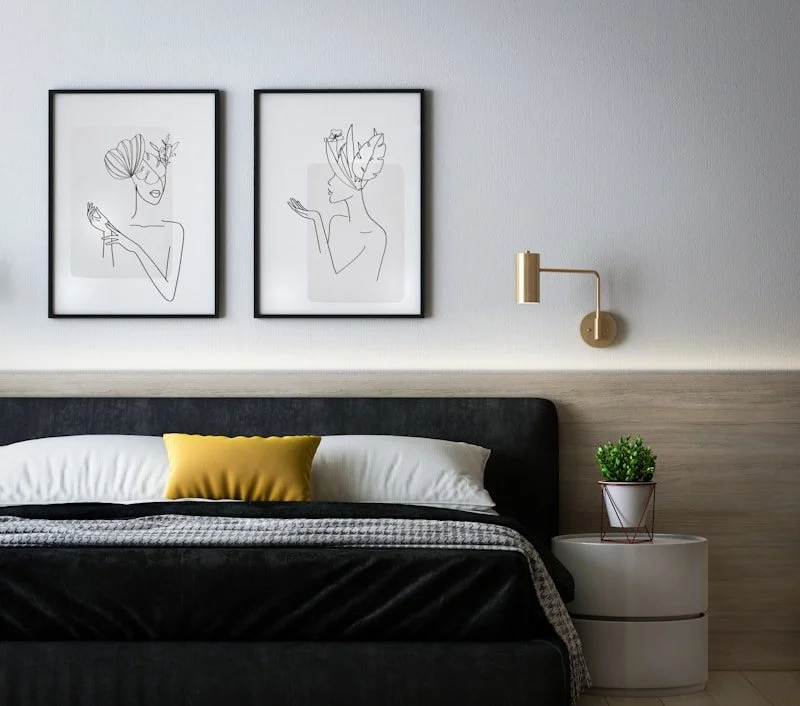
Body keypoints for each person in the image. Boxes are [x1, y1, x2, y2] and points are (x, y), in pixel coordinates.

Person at [86, 133, 184, 302]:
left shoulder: (174, 230)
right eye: (144, 173)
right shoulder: (116, 232)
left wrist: (135, 248)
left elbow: (169, 294)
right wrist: (105, 229)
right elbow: (104, 290)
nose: (156, 181)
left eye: (158, 168)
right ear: (132, 181)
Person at [288, 125, 387, 283]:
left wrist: (317, 221)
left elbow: (330, 280)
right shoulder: (336, 222)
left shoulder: (375, 236)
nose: (329, 181)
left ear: (355, 181)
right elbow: (323, 272)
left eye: (337, 176)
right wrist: (316, 218)